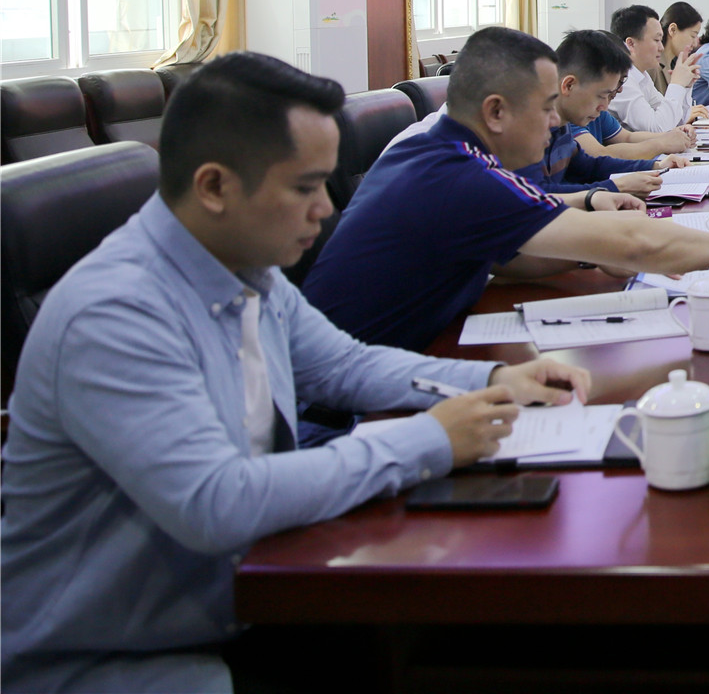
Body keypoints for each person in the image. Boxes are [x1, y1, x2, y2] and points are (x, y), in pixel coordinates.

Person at [0, 52, 593, 694]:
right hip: (112, 659)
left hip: (249, 597)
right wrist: (429, 438)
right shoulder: (114, 315)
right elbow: (217, 503)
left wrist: (490, 382)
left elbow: (343, 363)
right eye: (305, 187)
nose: (324, 208)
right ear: (214, 186)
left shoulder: (244, 268)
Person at [302, 25, 709, 352]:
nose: (555, 120)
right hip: (344, 404)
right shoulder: (454, 174)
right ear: (496, 112)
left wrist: (590, 253)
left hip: (400, 352)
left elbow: (511, 258)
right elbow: (635, 242)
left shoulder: (448, 154)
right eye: (545, 108)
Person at [520, 29, 688, 198]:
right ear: (569, 85)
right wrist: (617, 186)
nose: (605, 107)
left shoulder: (562, 126)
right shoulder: (530, 131)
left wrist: (655, 166)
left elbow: (591, 166)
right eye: (601, 96)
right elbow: (538, 195)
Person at [608, 3, 706, 132]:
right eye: (656, 40)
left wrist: (685, 86)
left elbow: (677, 120)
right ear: (631, 43)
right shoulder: (622, 81)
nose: (661, 47)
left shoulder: (642, 76)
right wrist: (677, 84)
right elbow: (656, 129)